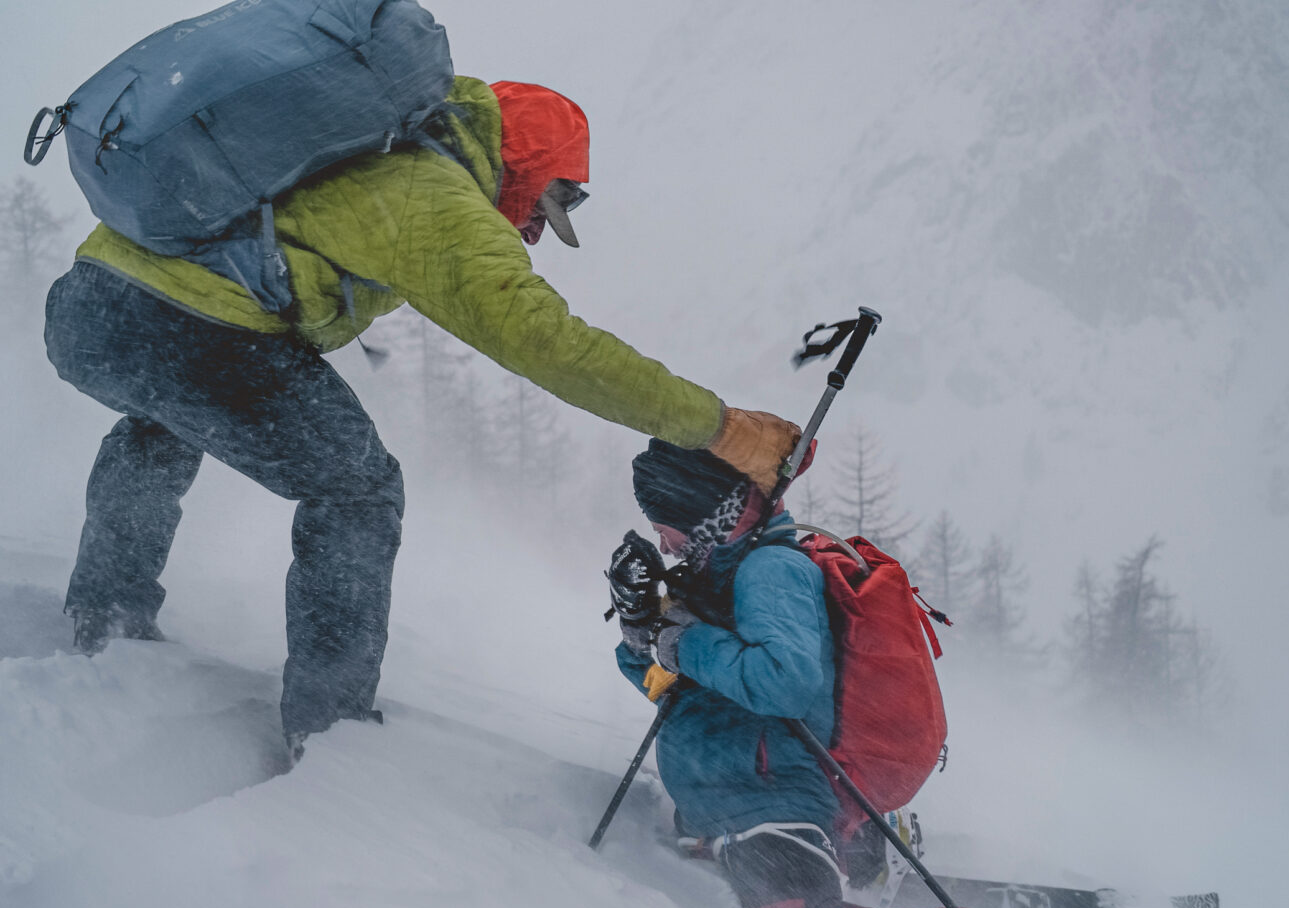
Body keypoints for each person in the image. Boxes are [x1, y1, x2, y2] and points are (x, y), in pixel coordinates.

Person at [43, 76, 799, 753]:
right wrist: (724, 427)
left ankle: (104, 619)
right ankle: (330, 731)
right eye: (541, 207)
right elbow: (551, 343)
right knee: (358, 491)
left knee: (166, 412)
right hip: (186, 323)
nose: (535, 232)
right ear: (520, 166)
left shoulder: (375, 149)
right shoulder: (431, 192)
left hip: (90, 305)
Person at [607, 440, 970, 908]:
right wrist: (640, 626)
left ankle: (876, 856)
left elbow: (786, 683)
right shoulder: (714, 579)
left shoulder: (770, 570)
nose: (664, 545)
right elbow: (674, 691)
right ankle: (863, 847)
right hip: (725, 807)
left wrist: (682, 641)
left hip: (773, 806)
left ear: (695, 515)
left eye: (662, 529)